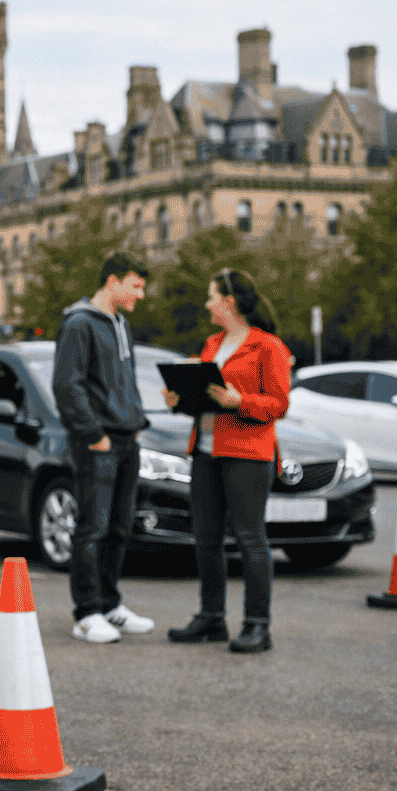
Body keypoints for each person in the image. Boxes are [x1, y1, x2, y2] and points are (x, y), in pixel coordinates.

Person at [161, 269, 290, 653]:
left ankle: (257, 625)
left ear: (229, 302)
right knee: (206, 539)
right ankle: (211, 618)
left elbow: (279, 404)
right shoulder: (211, 344)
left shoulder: (268, 346)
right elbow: (205, 398)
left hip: (247, 454)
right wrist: (180, 401)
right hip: (205, 452)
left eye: (211, 296)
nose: (207, 304)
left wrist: (242, 402)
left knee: (250, 538)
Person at [53, 252, 155, 643]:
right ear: (112, 282)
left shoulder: (120, 324)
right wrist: (94, 434)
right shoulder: (80, 324)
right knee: (92, 528)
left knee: (118, 527)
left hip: (127, 439)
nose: (140, 295)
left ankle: (111, 606)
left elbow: (123, 381)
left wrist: (137, 424)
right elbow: (67, 385)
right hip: (98, 443)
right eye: (136, 286)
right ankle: (86, 613)